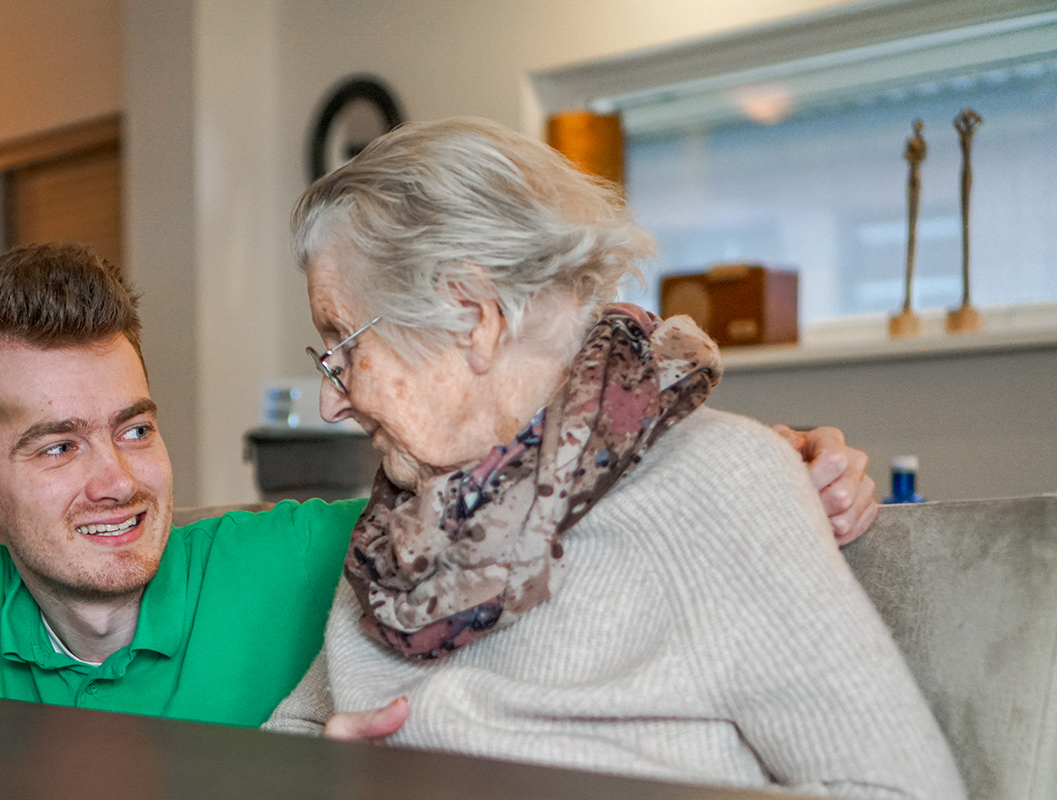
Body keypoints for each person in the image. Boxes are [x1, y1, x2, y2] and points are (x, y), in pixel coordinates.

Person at [0, 242, 879, 729]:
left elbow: (531, 494)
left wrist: (774, 462)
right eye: (57, 447)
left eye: (135, 427)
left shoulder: (294, 558)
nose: (119, 479)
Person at [260, 118, 963, 799]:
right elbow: (284, 739)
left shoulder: (717, 483)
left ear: (474, 316)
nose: (332, 402)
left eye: (344, 345)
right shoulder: (403, 527)